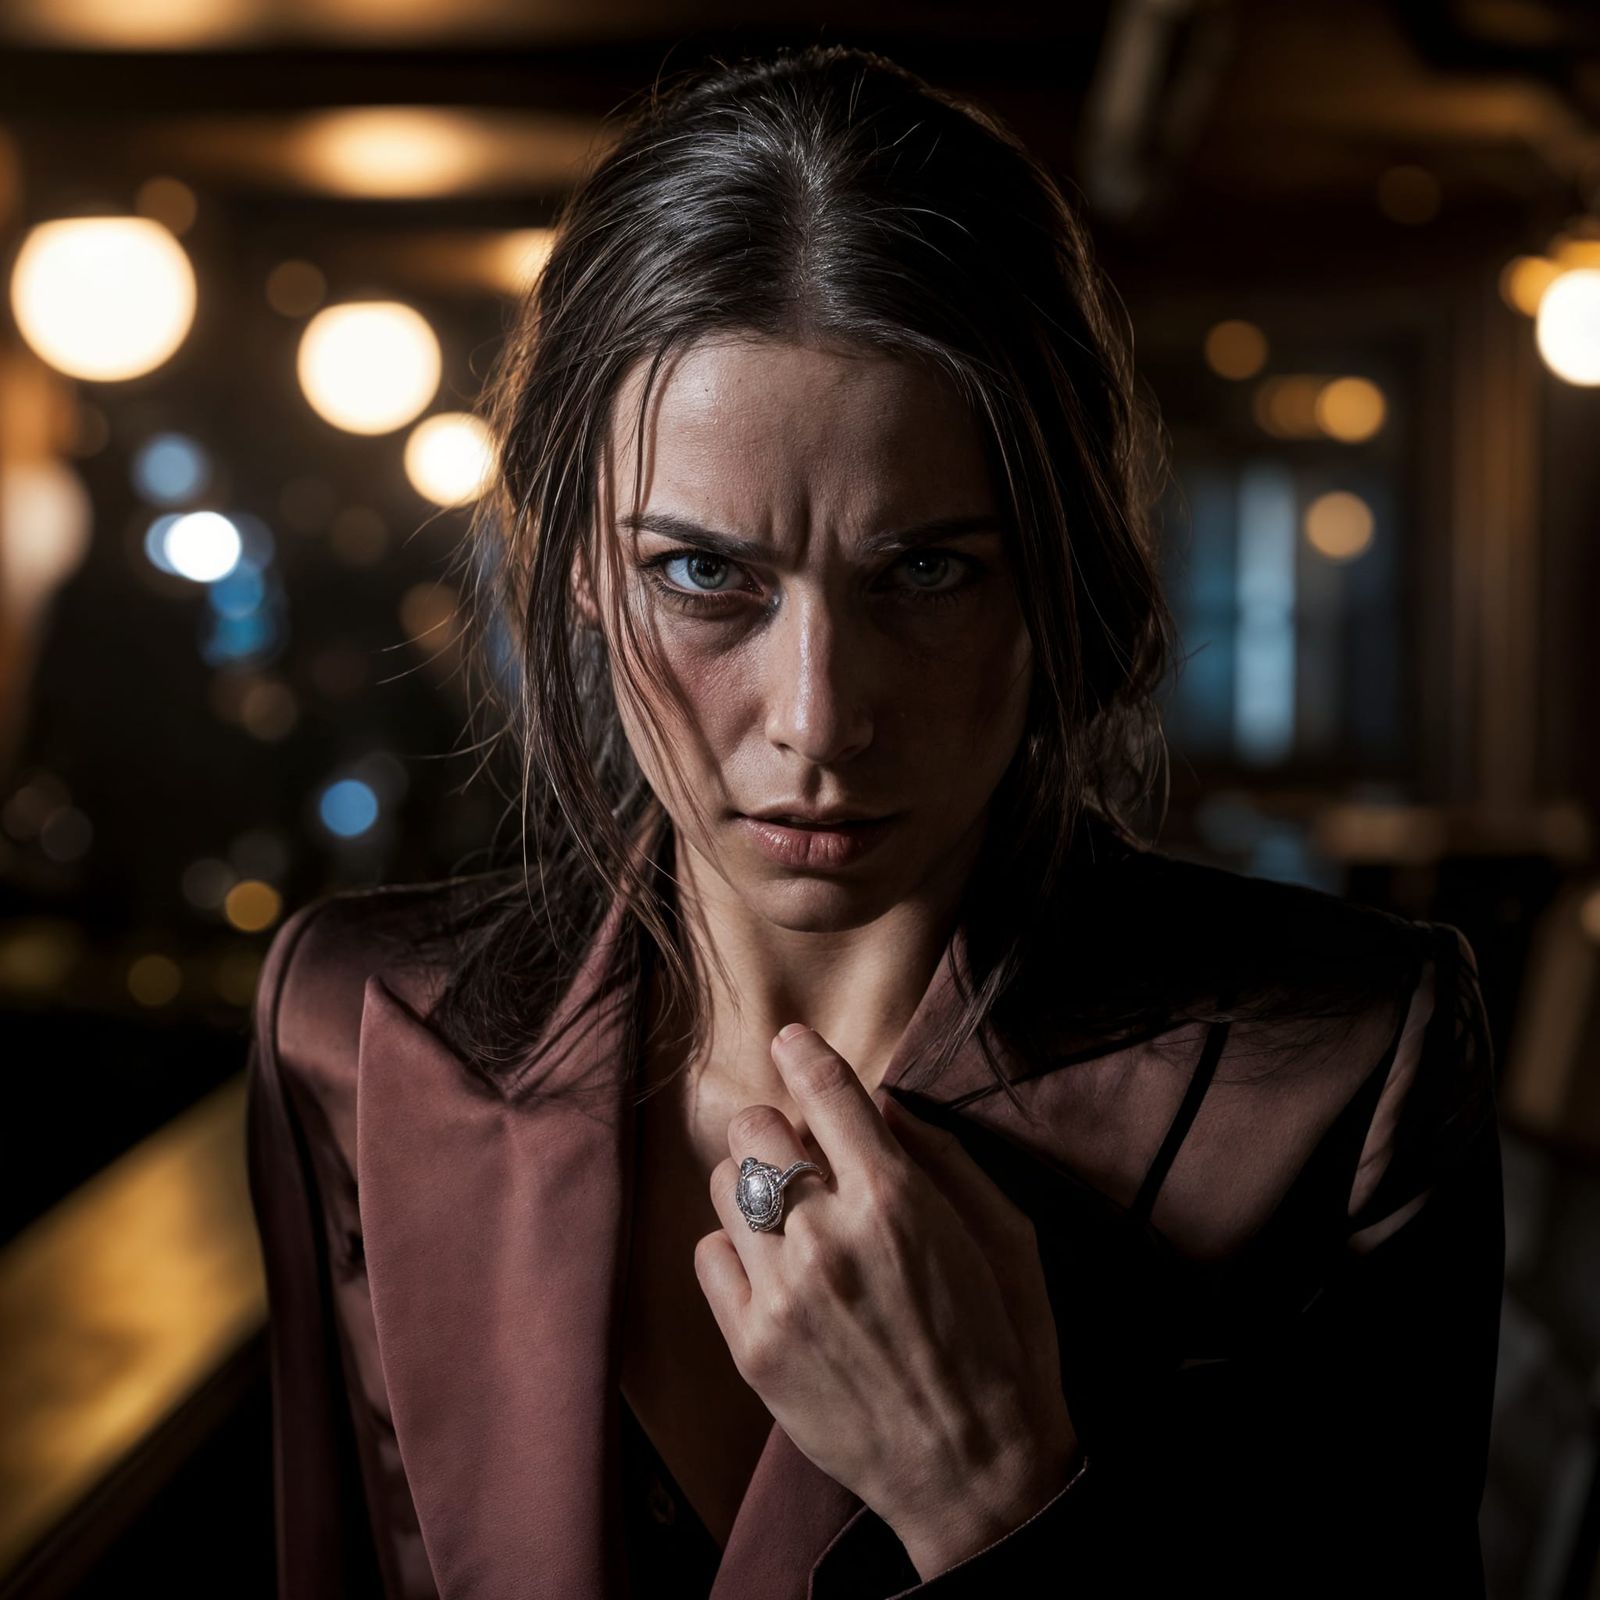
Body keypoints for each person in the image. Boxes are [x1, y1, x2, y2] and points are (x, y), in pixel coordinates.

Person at [243, 42, 1506, 1600]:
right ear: (576, 561)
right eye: (704, 574)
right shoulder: (350, 1031)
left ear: (1053, 569)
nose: (819, 717)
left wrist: (996, 1498)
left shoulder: (1333, 1072)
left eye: (925, 573)